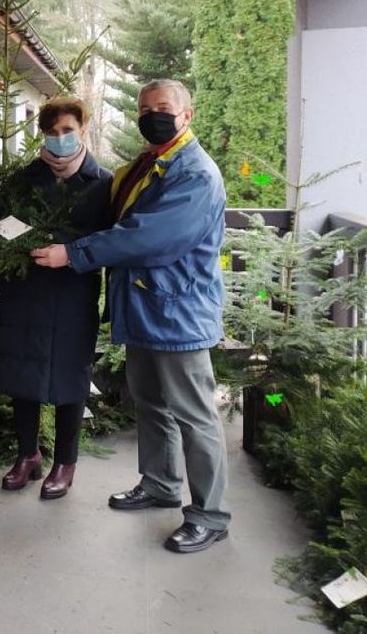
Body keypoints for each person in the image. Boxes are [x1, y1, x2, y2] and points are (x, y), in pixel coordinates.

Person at [30, 79, 231, 553]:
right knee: (151, 402)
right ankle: (161, 484)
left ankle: (211, 514)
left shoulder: (195, 174)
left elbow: (148, 236)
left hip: (177, 312)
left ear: (187, 114)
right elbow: (105, 203)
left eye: (162, 108)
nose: (151, 115)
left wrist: (73, 254)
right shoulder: (149, 165)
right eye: (144, 108)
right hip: (145, 307)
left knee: (195, 415)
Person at [0, 96, 113, 500]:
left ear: (83, 130)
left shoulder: (104, 183)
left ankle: (65, 461)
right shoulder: (23, 179)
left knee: (69, 375)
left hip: (72, 292)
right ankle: (28, 454)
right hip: (24, 288)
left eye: (67, 131)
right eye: (52, 132)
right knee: (22, 372)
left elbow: (111, 240)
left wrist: (68, 250)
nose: (59, 139)